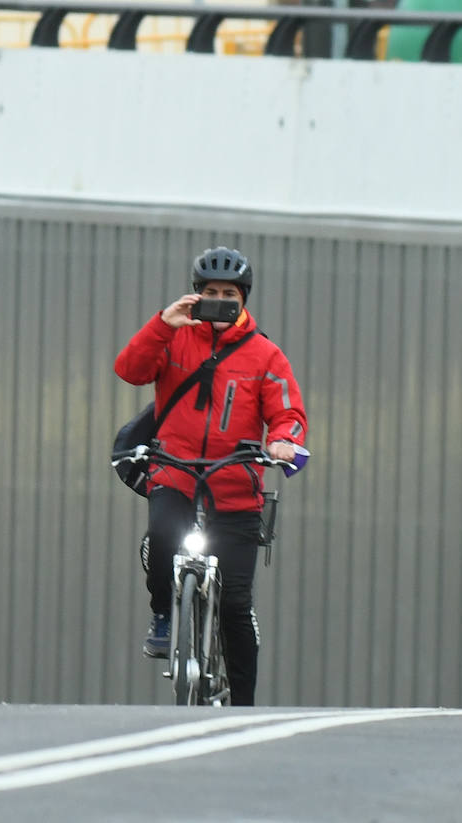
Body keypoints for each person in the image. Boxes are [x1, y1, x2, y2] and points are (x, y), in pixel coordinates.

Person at [113, 246, 308, 706]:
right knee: (162, 533)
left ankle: (242, 706)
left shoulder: (265, 356)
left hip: (236, 486)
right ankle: (164, 614)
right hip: (176, 473)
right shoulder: (174, 337)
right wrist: (164, 322)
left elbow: (288, 411)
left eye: (229, 294)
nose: (220, 301)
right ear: (195, 295)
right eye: (210, 293)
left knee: (237, 606)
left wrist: (282, 441)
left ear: (244, 300)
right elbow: (129, 370)